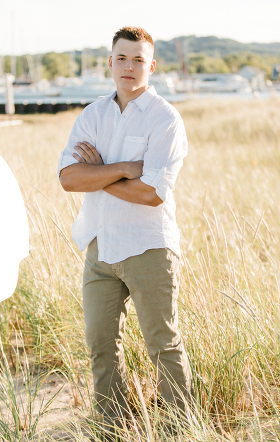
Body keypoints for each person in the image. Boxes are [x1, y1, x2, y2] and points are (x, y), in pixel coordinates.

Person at [57, 26, 192, 434]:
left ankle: (180, 429)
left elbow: (152, 193)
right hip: (100, 248)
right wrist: (119, 170)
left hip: (148, 246)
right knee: (101, 345)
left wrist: (96, 173)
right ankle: (113, 427)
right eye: (122, 58)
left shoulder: (165, 119)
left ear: (150, 66)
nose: (129, 66)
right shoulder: (92, 115)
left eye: (138, 60)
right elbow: (67, 178)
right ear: (110, 63)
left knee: (162, 345)